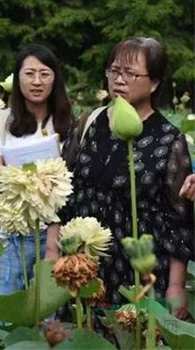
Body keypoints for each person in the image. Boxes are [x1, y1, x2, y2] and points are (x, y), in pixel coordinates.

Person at [46, 37, 193, 319]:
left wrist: (176, 285)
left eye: (130, 73)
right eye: (114, 71)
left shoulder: (169, 139)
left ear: (153, 83)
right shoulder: (88, 123)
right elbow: (62, 190)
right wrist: (53, 254)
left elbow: (179, 217)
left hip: (139, 268)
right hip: (84, 265)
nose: (119, 80)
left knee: (130, 334)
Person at [0, 44, 73, 297]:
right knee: (1, 313)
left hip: (54, 233)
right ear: (17, 78)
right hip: (9, 232)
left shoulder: (68, 124)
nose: (37, 81)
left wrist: (20, 175)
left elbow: (71, 180)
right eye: (29, 74)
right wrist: (42, 179)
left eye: (45, 74)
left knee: (49, 315)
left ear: (55, 79)